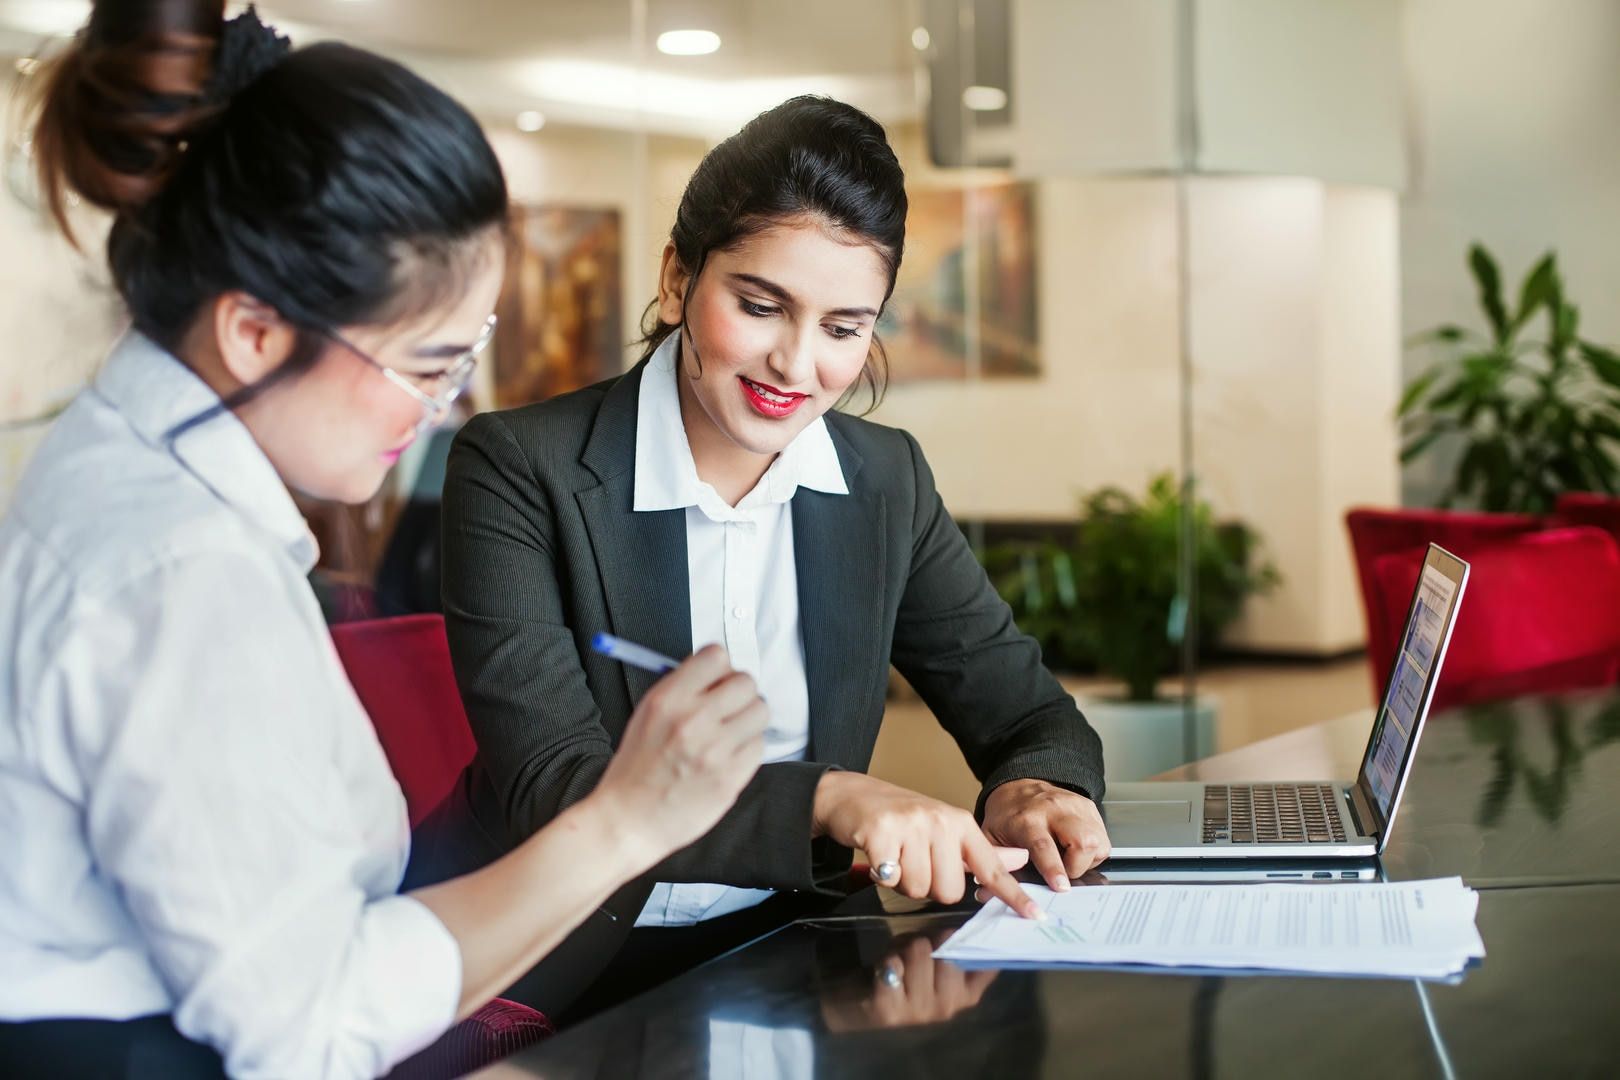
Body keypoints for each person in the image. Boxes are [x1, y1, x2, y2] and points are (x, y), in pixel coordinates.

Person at [0, 4, 766, 1077]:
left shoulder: (118, 471)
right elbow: (305, 1026)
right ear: (255, 330)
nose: (441, 410)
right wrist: (626, 823)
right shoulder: (183, 578)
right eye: (424, 364)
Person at [437, 94, 1112, 1021]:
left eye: (843, 328)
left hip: (801, 953)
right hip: (566, 966)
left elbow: (1028, 714)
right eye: (761, 306)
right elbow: (556, 789)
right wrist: (829, 800)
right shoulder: (519, 468)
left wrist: (1038, 790)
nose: (796, 364)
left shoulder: (885, 482)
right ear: (678, 279)